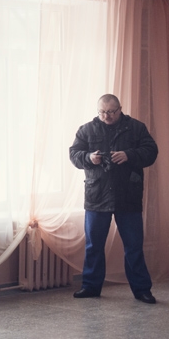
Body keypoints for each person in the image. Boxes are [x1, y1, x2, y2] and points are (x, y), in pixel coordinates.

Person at [68, 94, 158, 304]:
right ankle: (90, 287)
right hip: (97, 195)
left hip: (128, 194)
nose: (106, 116)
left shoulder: (136, 127)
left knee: (134, 245)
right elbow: (74, 154)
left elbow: (151, 152)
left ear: (120, 109)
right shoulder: (87, 129)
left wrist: (129, 155)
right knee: (94, 245)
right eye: (102, 112)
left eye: (111, 112)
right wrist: (89, 158)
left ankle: (142, 290)